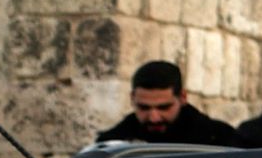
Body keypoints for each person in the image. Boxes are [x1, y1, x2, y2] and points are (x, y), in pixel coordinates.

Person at [97, 60, 236, 148]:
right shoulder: (112, 145)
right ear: (132, 98)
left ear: (182, 97)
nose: (154, 117)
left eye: (164, 107)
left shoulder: (220, 140)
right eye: (144, 107)